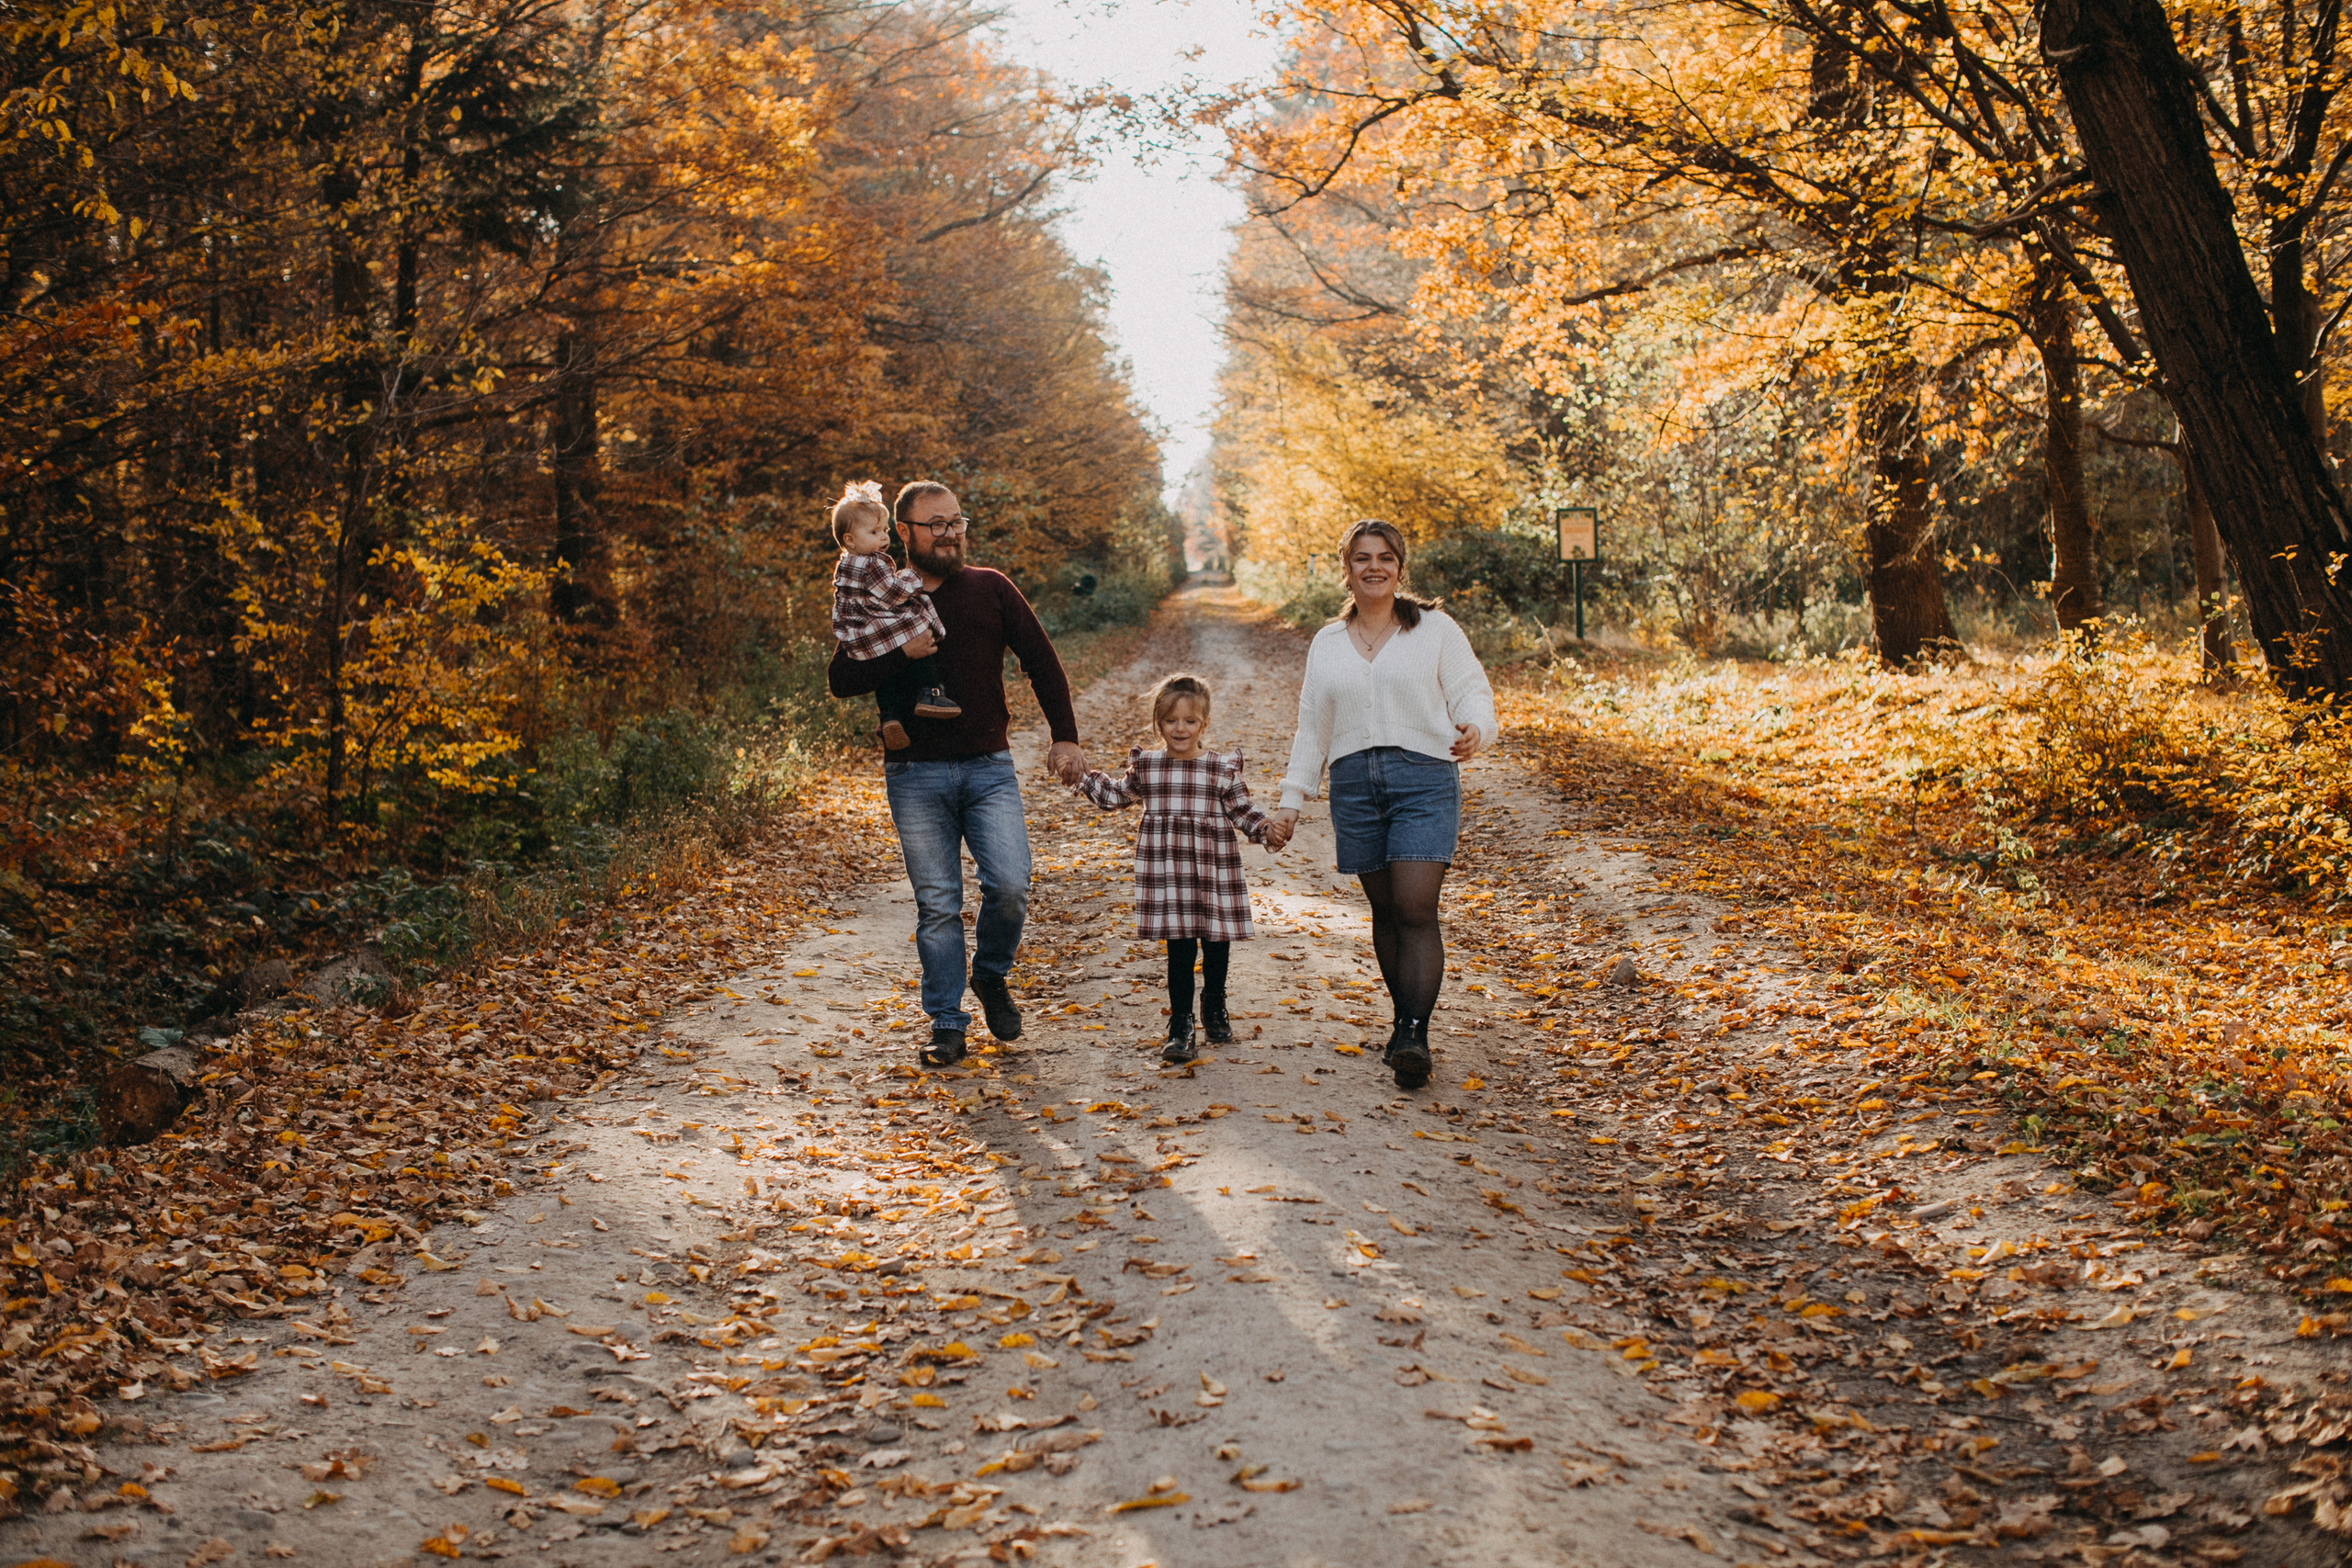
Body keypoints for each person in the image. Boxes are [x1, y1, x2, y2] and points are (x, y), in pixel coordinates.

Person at [827, 481, 1089, 1067]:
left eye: (957, 522)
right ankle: (947, 1021)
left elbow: (1041, 659)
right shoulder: (877, 596)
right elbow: (841, 680)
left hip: (988, 767)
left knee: (1012, 885)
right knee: (939, 904)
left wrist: (1064, 736)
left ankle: (991, 974)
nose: (951, 532)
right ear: (904, 533)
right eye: (936, 524)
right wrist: (904, 654)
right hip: (914, 774)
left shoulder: (990, 587)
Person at [1269, 519, 1497, 1090]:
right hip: (1355, 787)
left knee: (1415, 906)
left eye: (1385, 557)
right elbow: (1310, 728)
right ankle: (1402, 1023)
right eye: (1362, 558)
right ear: (1346, 569)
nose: (1374, 567)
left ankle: (1416, 1032)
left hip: (1424, 777)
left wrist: (1478, 729)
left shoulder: (1435, 629)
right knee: (1387, 911)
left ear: (1400, 566)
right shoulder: (1326, 642)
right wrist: (1291, 801)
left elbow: (1473, 690)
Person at [1069, 674, 1285, 1065]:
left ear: (1204, 724)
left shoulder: (1221, 769)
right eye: (1171, 721)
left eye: (1189, 721)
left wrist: (1267, 828)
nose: (1180, 729)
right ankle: (1180, 1025)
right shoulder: (1148, 766)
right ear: (1159, 724)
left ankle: (1214, 1003)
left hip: (1213, 868)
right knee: (1180, 949)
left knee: (1217, 943)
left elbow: (1242, 811)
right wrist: (1082, 777)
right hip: (1168, 872)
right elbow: (1116, 796)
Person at [828, 480, 960, 750]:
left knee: (886, 662)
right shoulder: (872, 563)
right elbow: (892, 593)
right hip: (878, 621)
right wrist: (912, 579)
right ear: (850, 540)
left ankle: (889, 716)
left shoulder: (845, 564)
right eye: (874, 531)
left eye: (884, 530)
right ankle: (930, 692)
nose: (884, 537)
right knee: (918, 628)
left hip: (858, 628)